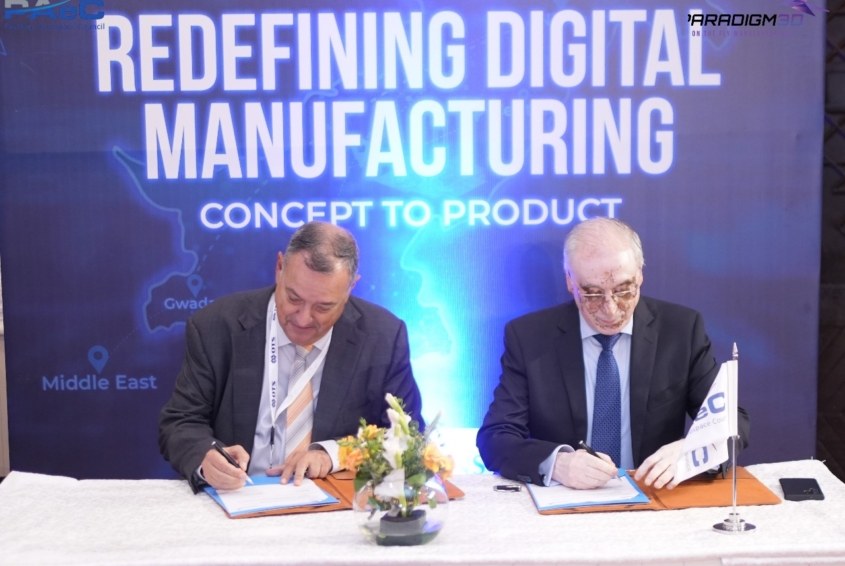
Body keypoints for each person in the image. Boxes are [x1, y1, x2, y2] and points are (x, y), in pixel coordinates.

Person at [477, 217, 749, 490]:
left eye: (623, 290)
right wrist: (557, 463)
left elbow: (732, 421)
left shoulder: (681, 330)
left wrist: (692, 451)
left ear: (640, 275)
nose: (610, 309)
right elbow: (496, 437)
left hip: (654, 494)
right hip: (567, 498)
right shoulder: (530, 337)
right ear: (570, 281)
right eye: (592, 294)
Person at [159, 222, 423, 492]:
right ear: (279, 268)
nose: (303, 319)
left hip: (332, 501)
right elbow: (180, 422)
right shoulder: (217, 326)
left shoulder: (383, 337)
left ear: (350, 287)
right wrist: (206, 457)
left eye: (323, 307)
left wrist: (334, 455)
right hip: (238, 495)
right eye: (293, 298)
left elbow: (409, 436)